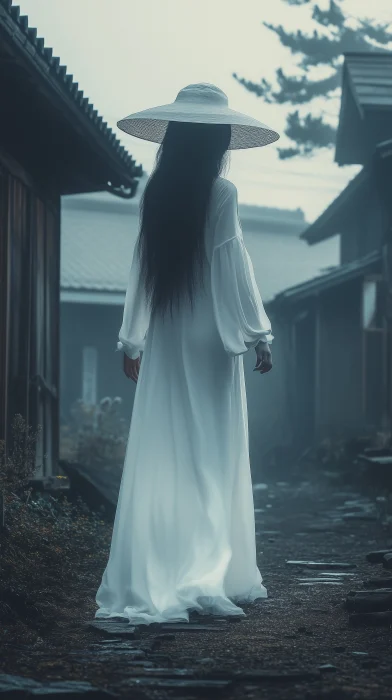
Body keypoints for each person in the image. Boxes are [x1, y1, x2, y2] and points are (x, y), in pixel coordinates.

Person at [95, 83, 279, 625]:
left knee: (172, 453)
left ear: (173, 138)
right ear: (219, 140)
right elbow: (232, 265)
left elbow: (142, 270)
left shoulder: (158, 190)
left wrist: (133, 337)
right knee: (211, 456)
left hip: (171, 336)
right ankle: (206, 580)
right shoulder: (222, 193)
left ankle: (178, 572)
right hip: (209, 337)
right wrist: (258, 332)